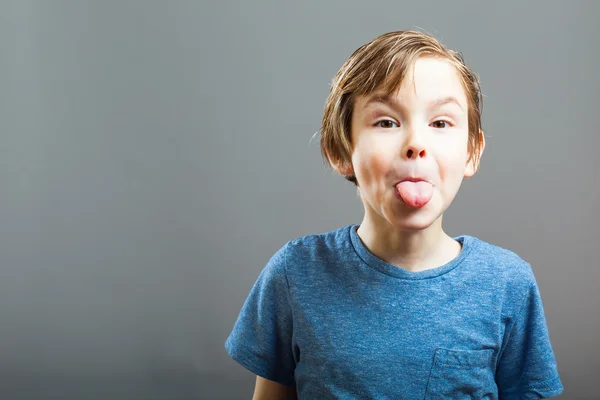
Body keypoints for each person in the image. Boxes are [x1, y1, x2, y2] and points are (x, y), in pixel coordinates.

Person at [224, 30, 564, 399]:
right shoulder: (294, 273)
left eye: (440, 123)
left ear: (471, 152)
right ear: (340, 150)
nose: (416, 144)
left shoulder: (506, 283)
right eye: (386, 122)